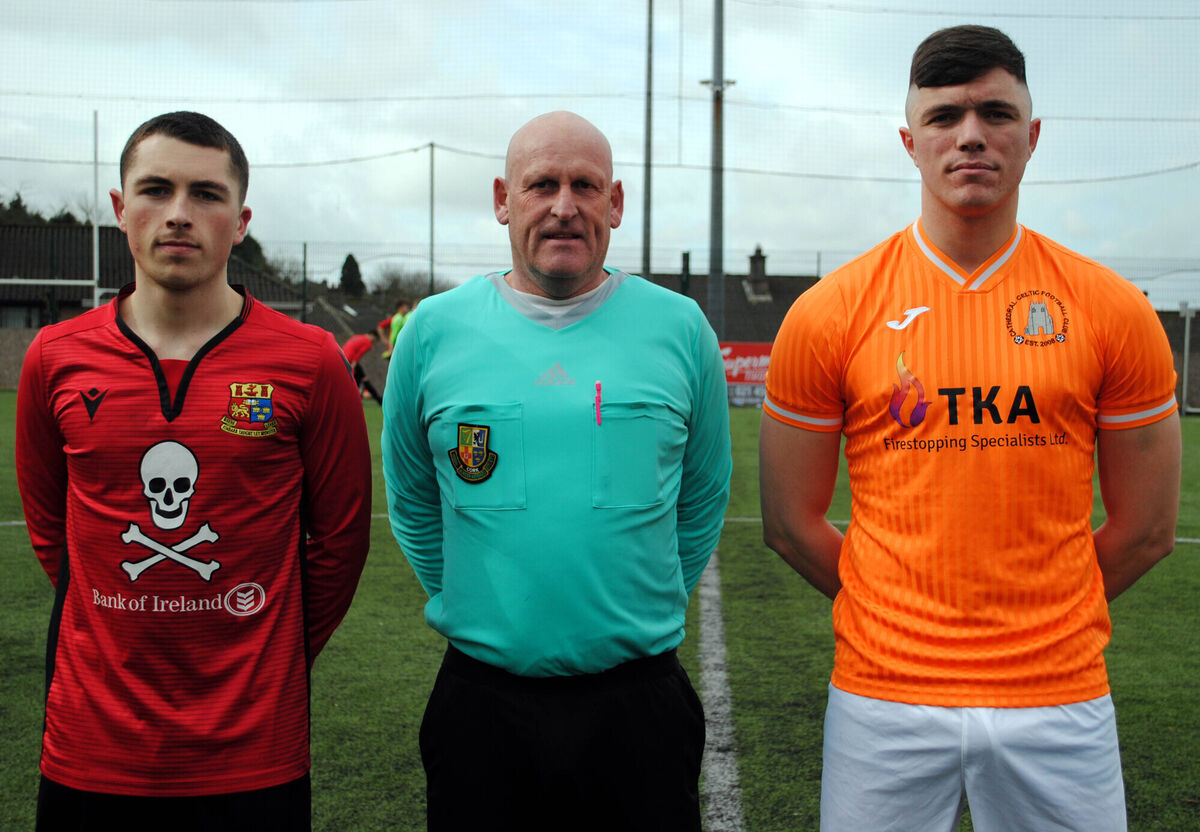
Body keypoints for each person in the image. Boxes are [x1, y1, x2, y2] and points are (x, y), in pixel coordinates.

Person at [760, 26, 1180, 832]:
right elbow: (788, 524)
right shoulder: (830, 311)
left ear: (1033, 136)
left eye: (996, 113)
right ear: (910, 141)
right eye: (947, 115)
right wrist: (894, 618)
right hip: (883, 699)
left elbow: (1148, 530)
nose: (972, 135)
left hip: (1060, 697)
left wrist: (1046, 619)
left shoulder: (1111, 308)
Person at [15, 111, 372, 831]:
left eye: (206, 195)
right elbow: (54, 532)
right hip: (92, 743)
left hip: (253, 749)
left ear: (240, 220)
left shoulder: (309, 362)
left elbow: (340, 542)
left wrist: (261, 653)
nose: (179, 214)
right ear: (121, 209)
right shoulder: (53, 356)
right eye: (156, 189)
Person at [381, 110, 731, 831]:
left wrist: (631, 609)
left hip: (641, 704)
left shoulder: (681, 327)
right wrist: (485, 609)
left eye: (585, 186)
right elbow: (413, 499)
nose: (564, 206)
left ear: (616, 203)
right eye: (542, 184)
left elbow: (702, 496)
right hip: (482, 704)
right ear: (504, 199)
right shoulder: (433, 330)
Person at [342, 330, 382, 401]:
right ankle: (355, 399)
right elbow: (359, 354)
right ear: (372, 336)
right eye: (375, 340)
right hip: (350, 361)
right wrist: (353, 365)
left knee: (362, 379)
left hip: (343, 358)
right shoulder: (368, 343)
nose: (374, 342)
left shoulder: (356, 337)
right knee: (359, 381)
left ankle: (378, 400)